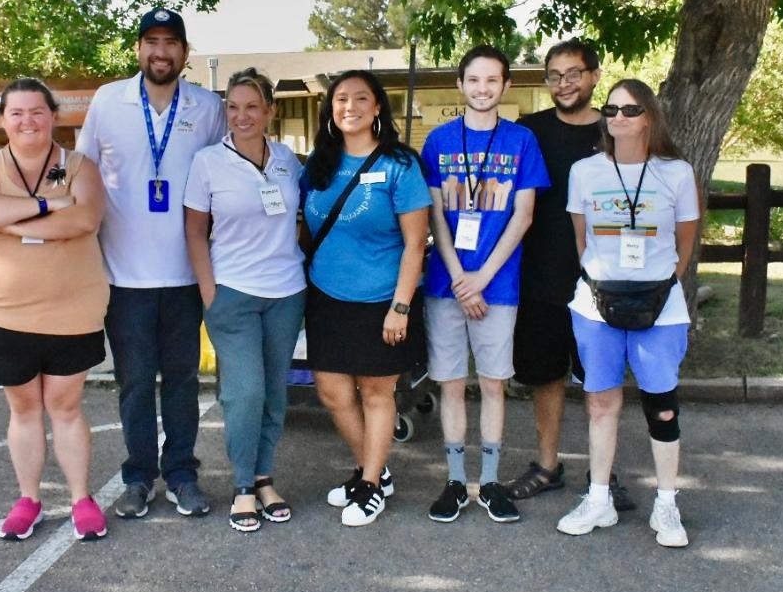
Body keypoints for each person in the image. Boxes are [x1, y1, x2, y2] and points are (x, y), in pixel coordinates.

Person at [76, 8, 225, 520]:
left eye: (171, 43)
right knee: (136, 383)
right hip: (124, 276)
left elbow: (222, 179)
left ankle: (182, 474)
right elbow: (83, 174)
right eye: (152, 42)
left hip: (186, 275)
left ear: (185, 52)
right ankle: (138, 477)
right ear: (138, 49)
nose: (161, 52)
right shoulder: (108, 100)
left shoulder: (208, 107)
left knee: (182, 382)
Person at [0, 77, 109, 541]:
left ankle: (81, 499)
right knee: (24, 408)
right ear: (2, 119)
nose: (28, 121)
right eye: (17, 113)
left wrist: (13, 221)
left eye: (37, 111)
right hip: (1, 311)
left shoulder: (79, 167)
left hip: (72, 309)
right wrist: (49, 204)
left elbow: (84, 219)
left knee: (66, 406)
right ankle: (29, 500)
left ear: (53, 116)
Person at [556, 79, 700, 548]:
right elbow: (581, 239)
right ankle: (599, 499)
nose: (618, 117)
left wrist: (659, 281)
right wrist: (606, 276)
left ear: (649, 117)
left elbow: (685, 242)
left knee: (661, 406)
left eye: (630, 110)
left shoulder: (676, 173)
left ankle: (667, 503)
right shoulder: (585, 172)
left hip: (660, 304)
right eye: (611, 109)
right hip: (596, 303)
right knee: (601, 402)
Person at [421, 45, 548, 524]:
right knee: (452, 385)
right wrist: (460, 278)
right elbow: (435, 213)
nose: (482, 89)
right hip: (446, 285)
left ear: (506, 85)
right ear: (460, 85)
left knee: (494, 384)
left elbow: (524, 214)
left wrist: (482, 278)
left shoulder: (521, 141)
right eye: (473, 80)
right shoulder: (438, 140)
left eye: (492, 80)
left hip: (498, 285)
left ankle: (490, 482)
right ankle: (456, 482)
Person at [506, 39, 635, 512]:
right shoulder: (530, 131)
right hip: (540, 275)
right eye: (555, 75)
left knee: (600, 380)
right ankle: (547, 467)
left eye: (573, 74)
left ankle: (605, 475)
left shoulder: (615, 129)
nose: (564, 84)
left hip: (603, 279)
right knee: (546, 376)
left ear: (595, 76)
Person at [302, 69, 431, 527]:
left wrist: (401, 306)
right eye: (341, 98)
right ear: (330, 108)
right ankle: (374, 470)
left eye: (361, 98)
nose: (350, 107)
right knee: (332, 392)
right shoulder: (317, 164)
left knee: (377, 393)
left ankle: (370, 485)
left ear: (377, 107)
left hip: (383, 299)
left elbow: (415, 244)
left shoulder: (400, 164)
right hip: (326, 297)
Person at [183, 68, 306, 533]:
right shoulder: (208, 162)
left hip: (285, 292)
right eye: (233, 107)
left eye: (252, 107)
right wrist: (209, 292)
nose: (242, 116)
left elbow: (301, 217)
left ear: (270, 111)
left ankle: (264, 478)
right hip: (232, 292)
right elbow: (195, 232)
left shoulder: (288, 160)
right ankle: (241, 487)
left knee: (275, 392)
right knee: (244, 392)